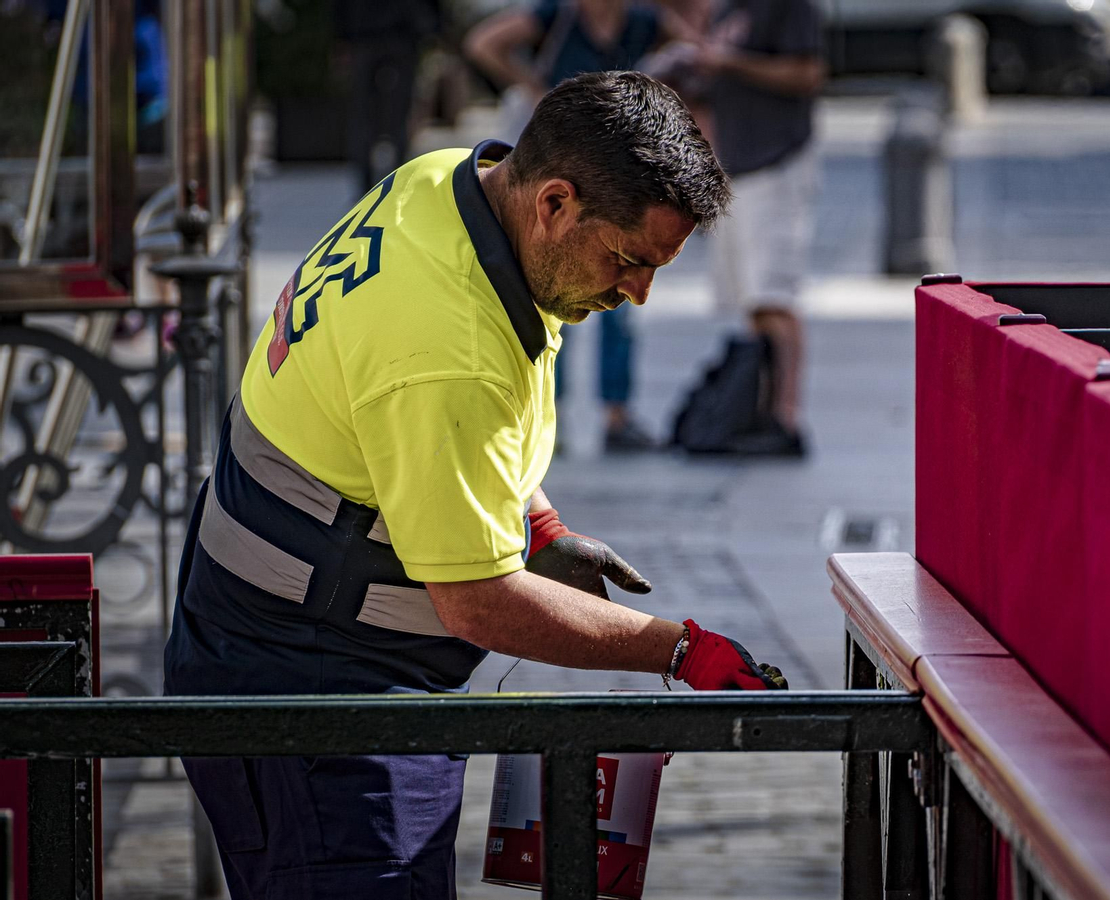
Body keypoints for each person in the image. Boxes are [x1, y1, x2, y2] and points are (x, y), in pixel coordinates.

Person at [164, 73, 786, 899]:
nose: (638, 293)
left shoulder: (450, 185)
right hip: (312, 689)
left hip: (292, 641)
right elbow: (478, 602)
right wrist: (680, 649)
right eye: (629, 260)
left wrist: (539, 525)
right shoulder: (446, 349)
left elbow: (453, 428)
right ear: (554, 202)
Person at [466, 0, 695, 452]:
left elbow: (696, 50)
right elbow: (482, 43)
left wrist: (657, 96)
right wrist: (534, 88)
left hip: (622, 188)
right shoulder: (558, 16)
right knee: (555, 293)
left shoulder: (643, 22)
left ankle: (615, 415)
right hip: (564, 180)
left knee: (621, 297)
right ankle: (548, 416)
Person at [696, 0, 825, 457]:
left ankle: (785, 417)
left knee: (774, 296)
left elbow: (809, 72)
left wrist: (732, 63)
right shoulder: (731, 7)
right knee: (751, 299)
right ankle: (760, 411)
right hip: (738, 163)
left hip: (776, 160)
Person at [337, 0, 439, 198]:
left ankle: (377, 184)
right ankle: (391, 182)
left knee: (371, 113)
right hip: (389, 29)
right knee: (390, 112)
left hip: (377, 29)